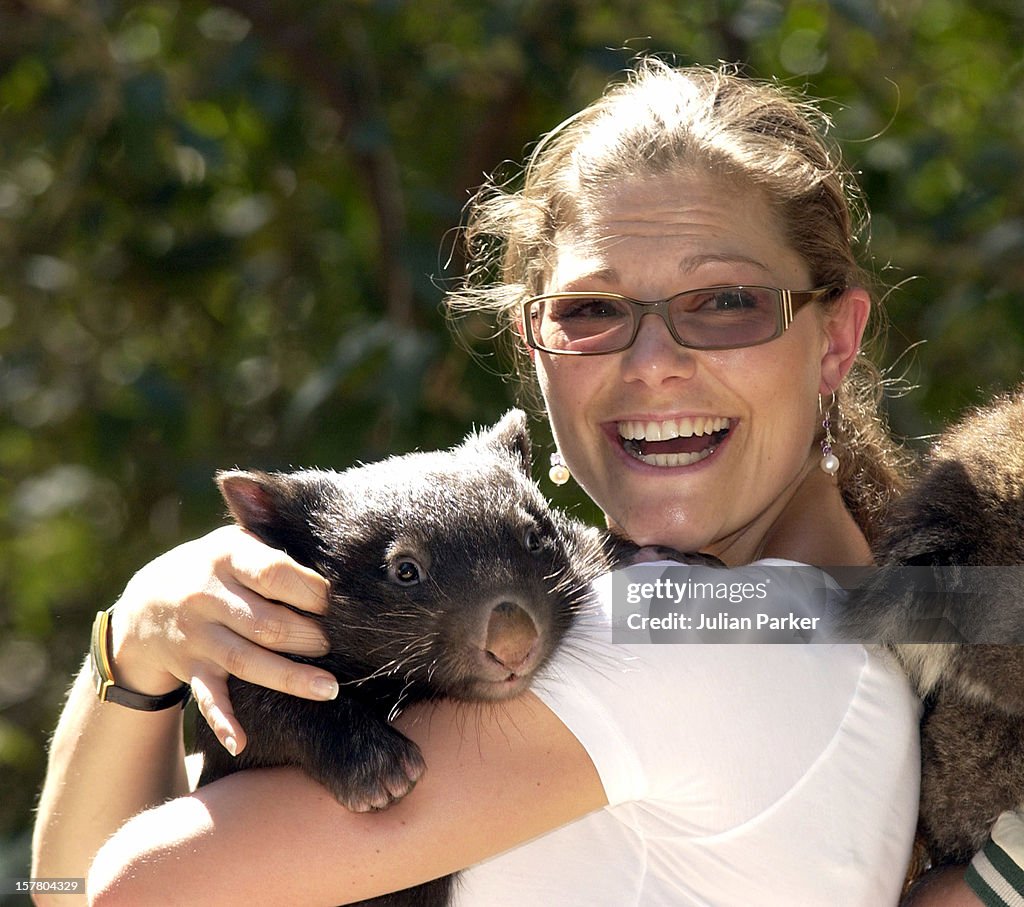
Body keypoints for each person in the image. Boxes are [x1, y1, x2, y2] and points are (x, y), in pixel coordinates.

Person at [30, 59, 1001, 906]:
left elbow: (107, 891)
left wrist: (129, 654)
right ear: (533, 349)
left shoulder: (700, 630)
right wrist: (140, 644)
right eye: (589, 310)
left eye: (724, 303)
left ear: (834, 339)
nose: (653, 361)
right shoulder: (824, 633)